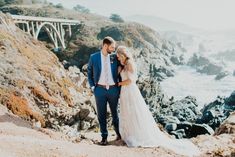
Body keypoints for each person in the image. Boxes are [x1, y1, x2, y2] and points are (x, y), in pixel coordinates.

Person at [116, 46, 200, 156]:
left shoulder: (130, 63)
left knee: (135, 112)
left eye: (118, 56)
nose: (118, 58)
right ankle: (129, 134)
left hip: (130, 90)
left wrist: (119, 84)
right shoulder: (124, 64)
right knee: (128, 112)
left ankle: (136, 135)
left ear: (123, 54)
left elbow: (131, 80)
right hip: (125, 91)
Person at [87, 36, 121, 146]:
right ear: (105, 46)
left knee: (115, 113)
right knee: (101, 115)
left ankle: (118, 134)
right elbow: (89, 73)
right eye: (112, 47)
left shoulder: (115, 57)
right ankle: (104, 137)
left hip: (113, 90)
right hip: (99, 90)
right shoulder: (94, 57)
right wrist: (93, 87)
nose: (113, 49)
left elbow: (124, 65)